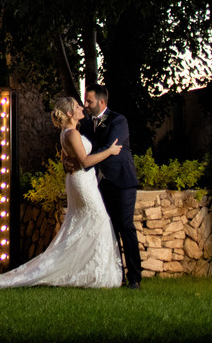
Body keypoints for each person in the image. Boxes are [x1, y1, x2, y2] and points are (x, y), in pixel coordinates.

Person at [0, 96, 122, 289]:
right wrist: (109, 152)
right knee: (99, 220)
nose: (82, 109)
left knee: (85, 224)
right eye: (78, 107)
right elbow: (86, 162)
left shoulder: (65, 133)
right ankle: (95, 272)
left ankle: (84, 269)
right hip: (82, 183)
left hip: (77, 181)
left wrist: (71, 163)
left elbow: (64, 161)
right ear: (70, 113)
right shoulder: (72, 133)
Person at [80, 84, 142, 289]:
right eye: (85, 100)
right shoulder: (87, 125)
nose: (85, 104)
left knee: (125, 227)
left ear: (102, 102)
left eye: (89, 101)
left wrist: (88, 158)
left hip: (123, 182)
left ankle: (134, 278)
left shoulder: (118, 120)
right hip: (100, 183)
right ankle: (117, 275)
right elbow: (93, 148)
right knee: (109, 229)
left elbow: (109, 146)